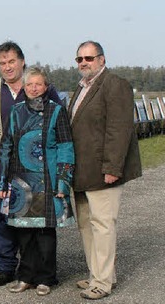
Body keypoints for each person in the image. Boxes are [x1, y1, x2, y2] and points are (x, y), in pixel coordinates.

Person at [0, 41, 61, 286]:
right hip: (3, 163)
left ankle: (36, 270)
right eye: (2, 63)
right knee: (3, 216)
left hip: (37, 166)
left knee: (36, 218)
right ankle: (5, 267)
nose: (8, 67)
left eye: (12, 61)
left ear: (22, 61)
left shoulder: (40, 87)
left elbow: (59, 124)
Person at [69, 41, 142, 300]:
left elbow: (119, 129)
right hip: (82, 172)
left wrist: (113, 168)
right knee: (86, 226)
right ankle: (97, 275)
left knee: (102, 225)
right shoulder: (79, 87)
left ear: (101, 59)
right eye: (79, 59)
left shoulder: (115, 84)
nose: (83, 63)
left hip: (103, 172)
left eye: (88, 58)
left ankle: (102, 282)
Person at [0, 67, 75, 296]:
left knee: (46, 234)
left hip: (48, 181)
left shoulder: (57, 111)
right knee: (25, 234)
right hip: (21, 183)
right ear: (25, 87)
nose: (34, 88)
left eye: (38, 84)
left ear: (46, 87)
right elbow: (6, 148)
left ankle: (46, 278)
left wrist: (63, 182)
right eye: (30, 85)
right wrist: (2, 184)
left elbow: (66, 148)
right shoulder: (16, 111)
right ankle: (26, 276)